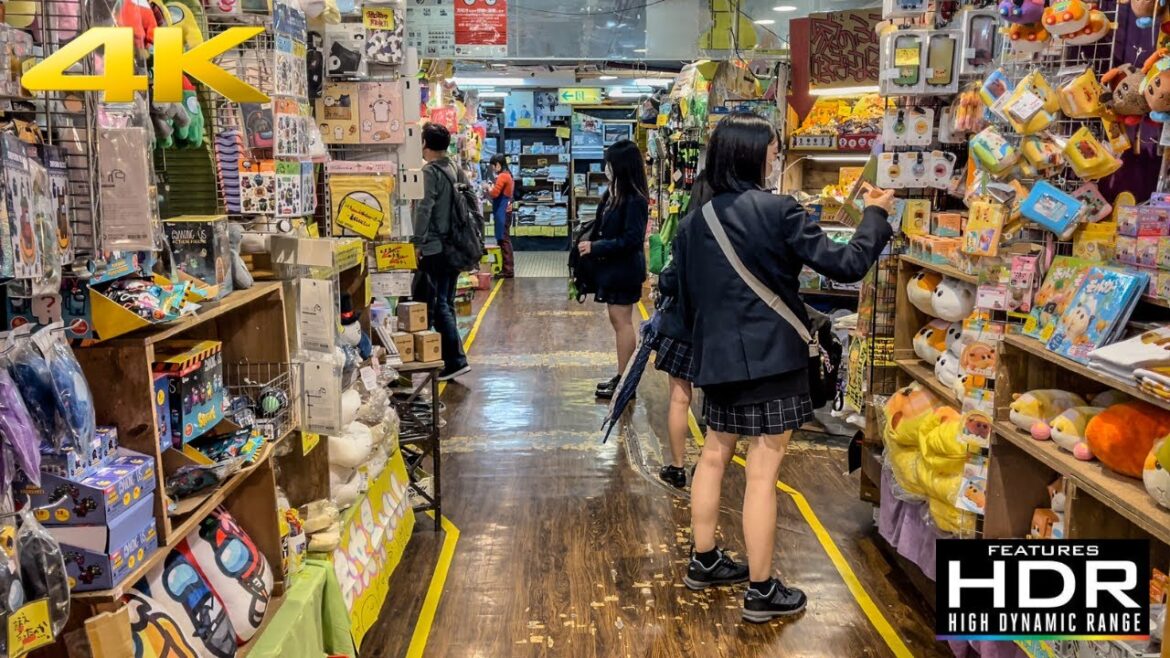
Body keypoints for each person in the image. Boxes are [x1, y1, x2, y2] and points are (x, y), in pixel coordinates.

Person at [672, 113, 894, 622]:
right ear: (753, 154)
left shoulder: (693, 222)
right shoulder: (779, 210)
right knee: (763, 472)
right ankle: (761, 588)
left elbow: (686, 303)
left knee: (712, 456)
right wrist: (874, 215)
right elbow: (845, 265)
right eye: (774, 149)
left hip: (718, 358)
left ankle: (704, 560)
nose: (777, 157)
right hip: (773, 358)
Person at [577, 139, 649, 400]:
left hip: (625, 271)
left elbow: (631, 240)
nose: (606, 167)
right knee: (618, 322)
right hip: (613, 271)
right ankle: (622, 377)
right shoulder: (613, 194)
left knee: (622, 324)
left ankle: (625, 381)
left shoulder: (635, 200)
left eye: (610, 162)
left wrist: (596, 247)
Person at [653, 172, 712, 488]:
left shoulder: (687, 230)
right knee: (716, 404)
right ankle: (710, 466)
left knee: (679, 398)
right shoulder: (733, 231)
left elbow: (668, 280)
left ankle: (676, 466)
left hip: (681, 329)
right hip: (718, 331)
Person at [412, 122, 471, 382]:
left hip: (435, 247)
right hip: (456, 246)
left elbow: (424, 209)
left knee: (437, 305)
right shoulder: (456, 169)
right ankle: (452, 358)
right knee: (446, 302)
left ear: (425, 143)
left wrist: (416, 242)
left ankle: (455, 360)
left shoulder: (431, 172)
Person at [484, 154, 515, 278]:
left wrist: (487, 188)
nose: (493, 169)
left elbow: (495, 193)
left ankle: (507, 270)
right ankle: (507, 268)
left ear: (498, 164)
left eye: (493, 166)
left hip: (502, 211)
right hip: (505, 210)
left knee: (503, 239)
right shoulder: (509, 175)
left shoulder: (503, 176)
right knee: (504, 238)